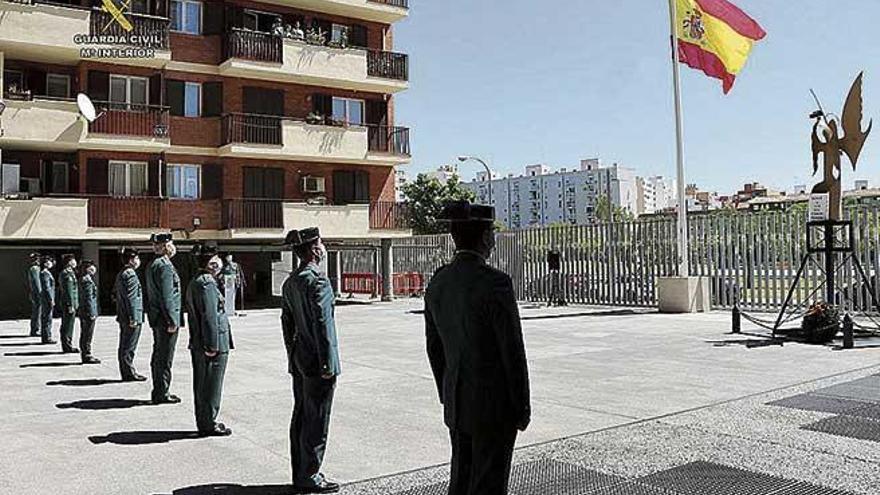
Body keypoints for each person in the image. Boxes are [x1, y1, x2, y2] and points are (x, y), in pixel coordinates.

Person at [424, 201, 531, 495]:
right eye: (492, 235)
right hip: (492, 406)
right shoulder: (495, 283)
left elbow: (434, 349)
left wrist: (447, 392)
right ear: (485, 238)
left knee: (461, 478)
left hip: (457, 403)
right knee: (489, 483)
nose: (494, 241)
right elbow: (512, 351)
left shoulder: (438, 282)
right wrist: (521, 404)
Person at [282, 227, 340, 494]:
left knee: (302, 416)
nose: (323, 247)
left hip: (300, 359)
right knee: (317, 418)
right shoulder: (318, 280)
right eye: (321, 244)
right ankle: (311, 475)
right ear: (315, 250)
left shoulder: (291, 281)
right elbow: (323, 325)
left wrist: (292, 355)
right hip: (318, 362)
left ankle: (300, 472)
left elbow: (287, 324)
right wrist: (329, 363)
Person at [187, 245, 234, 437]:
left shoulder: (198, 280)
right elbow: (209, 316)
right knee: (211, 385)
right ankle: (209, 422)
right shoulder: (206, 282)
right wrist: (212, 345)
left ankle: (205, 420)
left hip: (201, 341)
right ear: (211, 262)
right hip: (211, 343)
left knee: (203, 384)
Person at [146, 233, 183, 405]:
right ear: (166, 246)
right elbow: (167, 296)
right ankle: (162, 392)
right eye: (170, 243)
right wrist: (172, 320)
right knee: (164, 357)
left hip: (157, 318)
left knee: (159, 354)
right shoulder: (165, 266)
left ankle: (159, 389)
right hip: (165, 319)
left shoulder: (154, 264)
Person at [115, 248, 146, 381]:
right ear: (132, 260)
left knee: (125, 344)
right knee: (129, 345)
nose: (138, 261)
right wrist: (133, 317)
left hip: (123, 314)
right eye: (136, 258)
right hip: (131, 316)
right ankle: (128, 372)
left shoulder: (122, 273)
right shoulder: (131, 274)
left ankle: (126, 370)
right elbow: (132, 298)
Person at [79, 260, 100, 365]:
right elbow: (88, 299)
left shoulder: (85, 279)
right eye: (91, 267)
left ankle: (86, 353)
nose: (94, 269)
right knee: (87, 334)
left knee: (85, 333)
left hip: (84, 311)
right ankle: (87, 355)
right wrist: (92, 312)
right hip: (87, 311)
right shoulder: (87, 280)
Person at [58, 254, 80, 354]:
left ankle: (68, 344)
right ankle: (67, 345)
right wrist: (70, 305)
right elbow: (69, 291)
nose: (74, 262)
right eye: (73, 260)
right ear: (68, 262)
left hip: (70, 303)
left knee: (69, 325)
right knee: (67, 325)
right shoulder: (67, 274)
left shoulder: (70, 272)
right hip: (69, 304)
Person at [39, 255, 57, 345]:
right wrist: (51, 299)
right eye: (48, 262)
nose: (51, 263)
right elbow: (47, 288)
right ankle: (47, 337)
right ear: (45, 263)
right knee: (47, 318)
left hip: (46, 298)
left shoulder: (46, 272)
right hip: (47, 298)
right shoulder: (44, 273)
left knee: (47, 317)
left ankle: (46, 335)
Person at [27, 253, 42, 337]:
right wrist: (40, 293)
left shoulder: (33, 268)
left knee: (36, 311)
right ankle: (36, 329)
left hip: (34, 292)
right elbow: (37, 283)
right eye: (37, 259)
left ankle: (35, 329)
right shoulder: (35, 269)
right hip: (37, 293)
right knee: (37, 311)